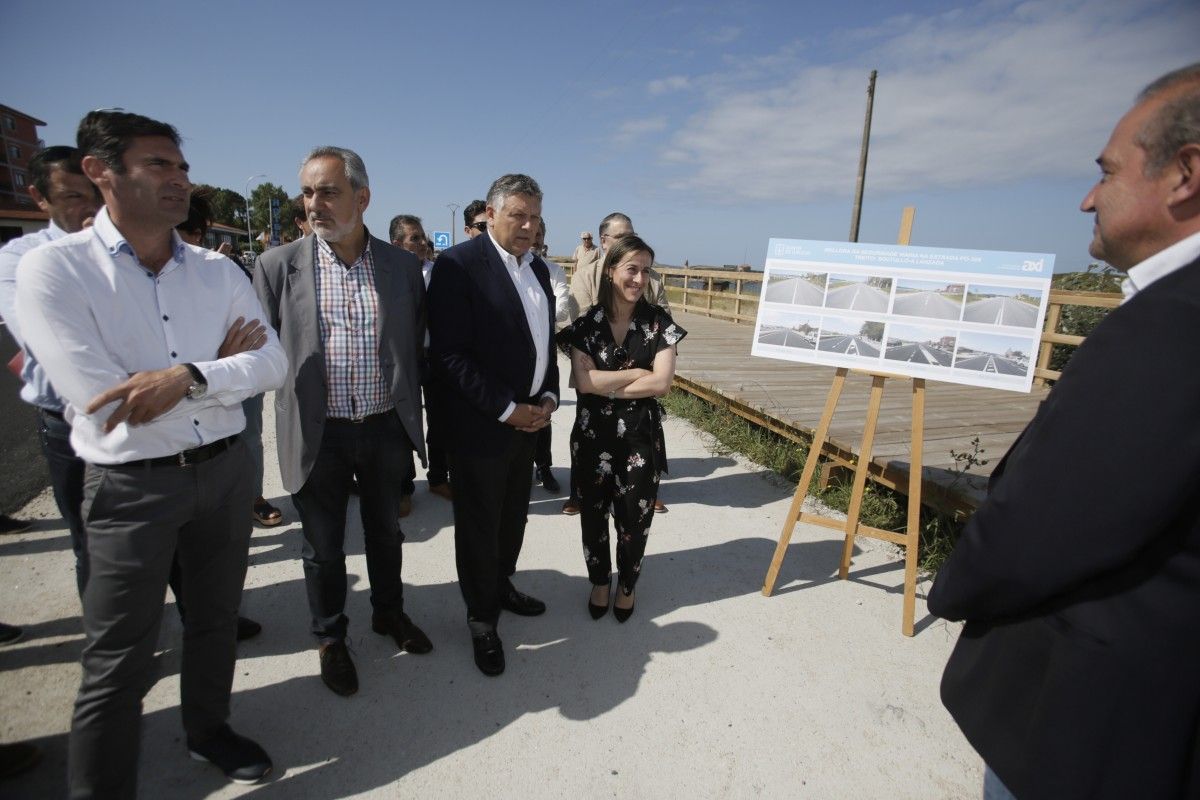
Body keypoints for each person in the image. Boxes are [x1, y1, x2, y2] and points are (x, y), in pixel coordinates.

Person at [927, 62, 1200, 800]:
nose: (1087, 197)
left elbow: (1045, 524)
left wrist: (951, 588)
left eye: (1108, 173)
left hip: (1096, 731)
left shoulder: (1171, 327)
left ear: (1186, 175)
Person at [17, 109, 285, 793]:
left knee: (216, 620)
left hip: (225, 475)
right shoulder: (52, 271)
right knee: (119, 658)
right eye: (159, 165)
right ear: (100, 172)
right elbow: (106, 399)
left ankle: (208, 730)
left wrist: (188, 377)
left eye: (182, 167)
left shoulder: (217, 271)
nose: (180, 180)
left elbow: (271, 364)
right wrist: (222, 371)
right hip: (130, 489)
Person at [254, 146, 431, 698]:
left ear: (362, 198)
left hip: (382, 427)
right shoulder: (277, 266)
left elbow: (417, 346)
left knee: (386, 533)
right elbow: (259, 350)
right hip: (318, 433)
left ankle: (388, 614)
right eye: (308, 192)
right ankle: (331, 638)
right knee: (324, 547)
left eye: (327, 192)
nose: (313, 204)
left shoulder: (402, 267)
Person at [427, 173, 558, 677]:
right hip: (485, 423)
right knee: (480, 525)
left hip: (529, 420)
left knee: (513, 517)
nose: (527, 226)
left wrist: (547, 395)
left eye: (535, 217)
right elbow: (450, 356)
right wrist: (507, 409)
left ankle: (502, 586)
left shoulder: (538, 269)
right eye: (517, 215)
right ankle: (482, 619)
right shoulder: (459, 266)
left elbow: (543, 341)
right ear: (490, 213)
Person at [561, 234, 684, 622]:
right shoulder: (586, 324)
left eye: (646, 271)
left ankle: (627, 585)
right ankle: (600, 581)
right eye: (632, 269)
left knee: (634, 516)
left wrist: (606, 383)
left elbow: (661, 383)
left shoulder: (658, 323)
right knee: (593, 513)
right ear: (611, 270)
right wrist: (633, 373)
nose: (639, 279)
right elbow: (583, 384)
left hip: (638, 439)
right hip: (591, 436)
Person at [0, 146, 100, 597]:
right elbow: (50, 340)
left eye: (96, 191)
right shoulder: (19, 260)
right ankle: (113, 647)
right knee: (91, 541)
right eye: (73, 195)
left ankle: (202, 618)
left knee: (171, 532)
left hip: (147, 418)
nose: (90, 205)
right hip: (69, 427)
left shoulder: (137, 248)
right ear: (40, 197)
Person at [177, 193, 284, 532]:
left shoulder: (224, 271)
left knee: (248, 436)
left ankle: (252, 497)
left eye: (195, 234)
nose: (189, 243)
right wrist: (216, 361)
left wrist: (210, 369)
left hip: (241, 380)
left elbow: (260, 347)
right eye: (182, 232)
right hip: (162, 458)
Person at [563, 212, 671, 515]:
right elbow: (583, 326)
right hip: (597, 373)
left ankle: (645, 491)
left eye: (630, 234)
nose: (625, 241)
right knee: (588, 433)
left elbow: (664, 324)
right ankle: (579, 493)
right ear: (603, 241)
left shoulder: (651, 278)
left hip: (630, 381)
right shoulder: (586, 275)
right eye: (618, 236)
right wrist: (633, 371)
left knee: (645, 435)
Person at [390, 213, 451, 504]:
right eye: (414, 238)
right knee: (403, 422)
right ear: (397, 244)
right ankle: (403, 487)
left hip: (436, 358)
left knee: (441, 420)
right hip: (404, 360)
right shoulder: (389, 277)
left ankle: (439, 477)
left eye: (422, 236)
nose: (423, 242)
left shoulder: (439, 272)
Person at [532, 218, 571, 493]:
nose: (534, 237)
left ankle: (544, 467)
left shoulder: (553, 270)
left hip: (545, 349)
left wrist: (532, 313)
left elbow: (563, 308)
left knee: (544, 409)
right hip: (514, 354)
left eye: (539, 232)